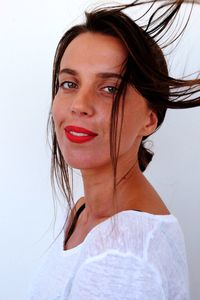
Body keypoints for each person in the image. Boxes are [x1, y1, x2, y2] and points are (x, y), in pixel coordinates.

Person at [28, 1, 200, 299]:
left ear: (149, 118)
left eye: (110, 88)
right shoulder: (83, 212)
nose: (79, 105)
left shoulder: (123, 258)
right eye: (69, 83)